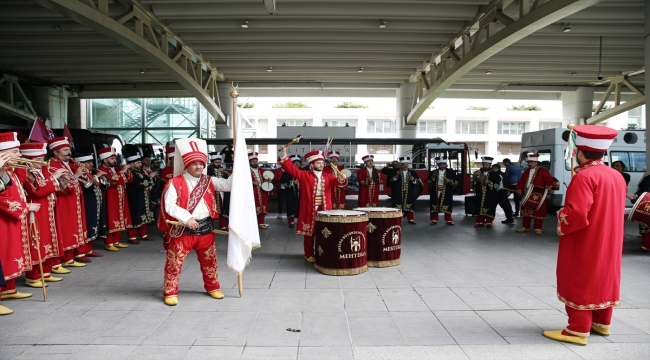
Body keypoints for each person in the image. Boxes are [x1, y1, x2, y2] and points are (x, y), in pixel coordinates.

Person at [542, 125, 625, 346]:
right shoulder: (616, 176)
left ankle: (577, 328)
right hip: (610, 239)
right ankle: (601, 321)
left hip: (587, 238)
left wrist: (561, 215)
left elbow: (577, 213)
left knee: (580, 277)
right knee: (603, 276)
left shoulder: (584, 176)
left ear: (580, 152)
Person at [158, 139, 232, 306]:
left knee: (210, 261)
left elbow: (228, 185)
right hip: (183, 229)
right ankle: (170, 291)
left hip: (206, 227)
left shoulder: (209, 180)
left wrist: (239, 165)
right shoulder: (174, 182)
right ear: (187, 166)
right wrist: (187, 218)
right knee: (174, 262)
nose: (199, 166)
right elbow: (169, 205)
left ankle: (213, 287)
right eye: (195, 164)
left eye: (201, 163)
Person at [279, 148, 348, 262]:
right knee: (309, 233)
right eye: (318, 163)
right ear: (312, 164)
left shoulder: (328, 176)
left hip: (325, 209)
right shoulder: (304, 175)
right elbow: (291, 169)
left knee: (325, 232)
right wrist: (283, 154)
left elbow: (337, 182)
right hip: (310, 209)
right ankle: (309, 253)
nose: (321, 165)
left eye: (322, 162)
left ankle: (324, 253)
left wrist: (341, 179)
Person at [20, 143, 67, 287]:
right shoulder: (28, 173)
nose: (42, 161)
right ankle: (33, 276)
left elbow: (53, 187)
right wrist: (54, 177)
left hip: (48, 210)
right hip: (37, 211)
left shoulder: (42, 170)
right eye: (38, 158)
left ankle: (45, 272)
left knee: (48, 241)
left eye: (42, 157)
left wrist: (60, 180)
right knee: (37, 242)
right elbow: (37, 191)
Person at [0, 132, 39, 301]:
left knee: (14, 253)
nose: (19, 155)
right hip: (4, 219)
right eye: (15, 152)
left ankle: (10, 289)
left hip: (14, 218)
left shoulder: (11, 171)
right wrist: (25, 207)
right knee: (6, 254)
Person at [47, 137, 89, 267]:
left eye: (69, 149)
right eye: (65, 150)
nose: (69, 152)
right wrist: (76, 175)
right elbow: (61, 186)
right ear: (56, 152)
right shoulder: (53, 166)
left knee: (73, 228)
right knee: (64, 230)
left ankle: (69, 258)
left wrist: (84, 173)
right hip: (62, 203)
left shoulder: (68, 165)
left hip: (73, 202)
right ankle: (62, 259)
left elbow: (83, 181)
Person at [97, 147, 132, 251]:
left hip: (120, 197)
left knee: (119, 217)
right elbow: (113, 182)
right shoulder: (101, 170)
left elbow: (129, 180)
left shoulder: (116, 169)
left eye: (114, 158)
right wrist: (123, 171)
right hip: (110, 197)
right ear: (105, 160)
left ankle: (116, 240)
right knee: (110, 218)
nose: (115, 161)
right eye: (112, 159)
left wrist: (126, 170)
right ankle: (108, 242)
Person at [73, 153, 108, 257]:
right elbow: (87, 187)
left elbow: (104, 187)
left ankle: (89, 250)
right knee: (87, 226)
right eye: (89, 162)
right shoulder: (80, 173)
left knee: (95, 225)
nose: (91, 164)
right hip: (87, 203)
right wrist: (96, 176)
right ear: (82, 164)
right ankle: (80, 253)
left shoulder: (91, 173)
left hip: (96, 202)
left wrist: (103, 178)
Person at [515, 153, 553, 235]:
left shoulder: (543, 171)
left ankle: (538, 228)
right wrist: (519, 189)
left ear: (536, 162)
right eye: (528, 162)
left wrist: (548, 186)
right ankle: (525, 227)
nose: (529, 164)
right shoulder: (526, 172)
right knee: (526, 211)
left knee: (538, 211)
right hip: (526, 195)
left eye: (531, 162)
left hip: (538, 195)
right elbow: (520, 182)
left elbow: (549, 181)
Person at [125, 152, 155, 244]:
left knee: (144, 215)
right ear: (131, 164)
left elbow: (148, 183)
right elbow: (139, 183)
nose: (140, 164)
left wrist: (148, 176)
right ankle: (132, 236)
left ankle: (143, 234)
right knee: (135, 215)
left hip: (143, 196)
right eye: (138, 162)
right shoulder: (129, 173)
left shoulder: (139, 172)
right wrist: (150, 177)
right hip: (134, 197)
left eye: (140, 162)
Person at [473, 157, 501, 228]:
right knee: (479, 207)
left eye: (487, 165)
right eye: (484, 165)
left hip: (490, 194)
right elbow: (474, 183)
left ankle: (489, 222)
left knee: (490, 207)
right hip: (480, 194)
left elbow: (497, 184)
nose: (485, 166)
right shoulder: (478, 172)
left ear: (490, 165)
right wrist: (476, 181)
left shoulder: (494, 174)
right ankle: (480, 221)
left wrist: (490, 183)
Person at [427, 156, 457, 225]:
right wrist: (433, 177)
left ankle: (448, 219)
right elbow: (428, 181)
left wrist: (450, 181)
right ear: (438, 165)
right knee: (434, 204)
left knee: (447, 204)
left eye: (443, 164)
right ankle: (434, 219)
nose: (442, 166)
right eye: (440, 164)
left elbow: (457, 181)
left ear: (446, 164)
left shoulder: (451, 172)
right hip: (436, 191)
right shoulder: (434, 172)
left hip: (446, 191)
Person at [627, 171, 650, 252]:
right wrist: (635, 196)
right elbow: (641, 191)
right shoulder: (648, 178)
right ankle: (646, 246)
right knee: (645, 224)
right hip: (647, 205)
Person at [207, 153, 230, 230]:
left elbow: (230, 178)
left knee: (223, 207)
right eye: (216, 162)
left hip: (223, 192)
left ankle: (222, 225)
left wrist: (224, 171)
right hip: (214, 192)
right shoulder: (208, 169)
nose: (218, 164)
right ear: (212, 162)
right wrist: (217, 172)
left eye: (219, 162)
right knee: (214, 207)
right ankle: (210, 226)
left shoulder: (223, 169)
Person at [249, 152, 270, 229]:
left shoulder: (262, 170)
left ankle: (261, 223)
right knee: (253, 207)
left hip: (262, 191)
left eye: (256, 161)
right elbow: (242, 181)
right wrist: (252, 182)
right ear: (250, 162)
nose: (255, 163)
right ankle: (252, 224)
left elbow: (267, 179)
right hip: (252, 192)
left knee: (263, 206)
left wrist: (268, 181)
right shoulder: (246, 171)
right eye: (253, 161)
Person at [280, 155, 301, 228]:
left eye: (298, 163)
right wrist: (292, 182)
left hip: (301, 193)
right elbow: (283, 182)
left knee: (301, 206)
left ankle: (300, 220)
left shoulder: (302, 172)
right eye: (295, 163)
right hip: (291, 193)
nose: (297, 164)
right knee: (291, 206)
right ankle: (291, 221)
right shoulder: (287, 172)